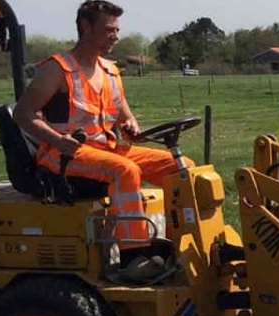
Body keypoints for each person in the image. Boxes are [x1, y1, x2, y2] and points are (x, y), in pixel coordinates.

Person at [15, 0, 188, 281]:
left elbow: (124, 114)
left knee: (181, 167)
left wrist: (130, 125)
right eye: (109, 30)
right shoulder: (57, 69)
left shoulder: (110, 71)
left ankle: (180, 245)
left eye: (117, 30)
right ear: (86, 27)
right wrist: (57, 140)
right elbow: (23, 114)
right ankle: (134, 258)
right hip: (63, 155)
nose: (116, 36)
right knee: (125, 171)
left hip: (106, 149)